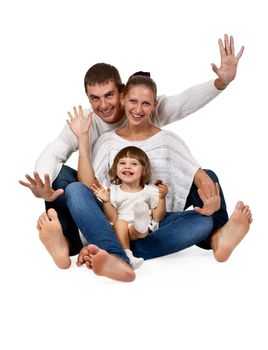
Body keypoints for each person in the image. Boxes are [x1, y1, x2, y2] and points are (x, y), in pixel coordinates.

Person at [20, 35, 248, 280]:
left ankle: (111, 250)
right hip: (110, 209)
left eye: (109, 96)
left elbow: (183, 104)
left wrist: (220, 83)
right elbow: (73, 168)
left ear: (122, 93)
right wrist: (46, 180)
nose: (104, 105)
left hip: (151, 215)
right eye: (95, 98)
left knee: (204, 213)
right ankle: (84, 246)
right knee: (69, 184)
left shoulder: (165, 136)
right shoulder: (94, 130)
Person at [59, 73, 251, 281]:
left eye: (145, 103)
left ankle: (216, 238)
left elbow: (200, 175)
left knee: (203, 220)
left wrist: (212, 202)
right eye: (133, 101)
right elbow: (89, 188)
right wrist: (83, 139)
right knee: (75, 190)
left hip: (154, 224)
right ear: (123, 100)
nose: (138, 109)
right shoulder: (107, 141)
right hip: (115, 221)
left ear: (154, 105)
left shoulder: (168, 140)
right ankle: (118, 255)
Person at [79, 144, 168, 270]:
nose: (127, 166)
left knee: (140, 226)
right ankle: (128, 255)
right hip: (120, 230)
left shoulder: (150, 191)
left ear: (144, 170)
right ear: (116, 169)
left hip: (140, 231)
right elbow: (113, 218)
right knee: (120, 223)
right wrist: (106, 201)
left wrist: (162, 198)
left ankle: (140, 220)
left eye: (134, 164)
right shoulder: (114, 191)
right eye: (122, 163)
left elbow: (158, 217)